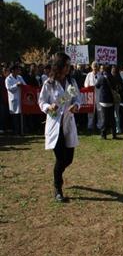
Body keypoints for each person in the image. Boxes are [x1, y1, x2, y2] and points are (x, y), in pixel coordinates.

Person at [38, 52, 81, 202]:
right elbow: (41, 102)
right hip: (55, 125)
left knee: (68, 159)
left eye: (70, 65)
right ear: (59, 66)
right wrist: (49, 107)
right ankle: (57, 188)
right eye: (66, 65)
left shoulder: (71, 81)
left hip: (68, 124)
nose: (69, 68)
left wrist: (76, 106)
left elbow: (77, 98)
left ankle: (58, 175)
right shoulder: (49, 83)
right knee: (60, 158)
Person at [95, 65, 117, 140]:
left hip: (103, 100)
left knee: (104, 118)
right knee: (112, 118)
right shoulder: (113, 77)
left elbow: (97, 86)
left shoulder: (101, 78)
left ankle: (103, 135)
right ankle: (114, 134)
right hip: (111, 100)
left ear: (104, 70)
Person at [5, 64, 26, 135]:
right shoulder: (8, 79)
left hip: (21, 98)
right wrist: (16, 85)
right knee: (15, 116)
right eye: (17, 70)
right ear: (12, 70)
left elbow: (25, 85)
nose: (18, 71)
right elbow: (9, 89)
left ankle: (22, 131)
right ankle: (16, 131)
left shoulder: (19, 77)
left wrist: (22, 85)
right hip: (13, 99)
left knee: (21, 116)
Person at [84, 61, 102, 131]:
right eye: (93, 67)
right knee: (90, 111)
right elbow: (85, 84)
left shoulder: (100, 75)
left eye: (96, 67)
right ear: (92, 67)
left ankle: (99, 125)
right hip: (90, 95)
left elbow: (101, 84)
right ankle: (90, 126)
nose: (95, 69)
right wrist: (88, 86)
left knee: (99, 111)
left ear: (97, 68)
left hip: (98, 94)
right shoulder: (89, 75)